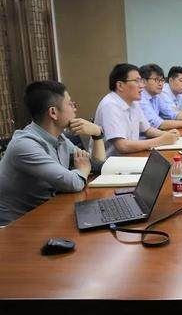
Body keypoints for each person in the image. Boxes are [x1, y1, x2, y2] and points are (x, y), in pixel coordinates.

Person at [0, 80, 106, 225]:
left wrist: (97, 134)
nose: (75, 109)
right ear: (53, 112)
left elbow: (96, 165)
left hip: (47, 212)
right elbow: (73, 182)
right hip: (17, 225)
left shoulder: (59, 138)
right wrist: (83, 169)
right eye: (70, 104)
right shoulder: (25, 146)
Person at [94, 63, 180, 157]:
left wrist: (167, 134)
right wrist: (161, 140)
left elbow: (147, 130)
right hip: (112, 161)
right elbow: (122, 146)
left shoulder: (133, 102)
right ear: (120, 85)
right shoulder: (110, 105)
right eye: (137, 81)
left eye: (141, 81)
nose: (142, 86)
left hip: (131, 155)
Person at [138, 63, 182, 130]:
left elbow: (173, 114)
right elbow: (159, 124)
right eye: (156, 80)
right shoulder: (141, 98)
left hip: (157, 133)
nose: (160, 84)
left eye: (162, 80)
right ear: (143, 81)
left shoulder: (156, 95)